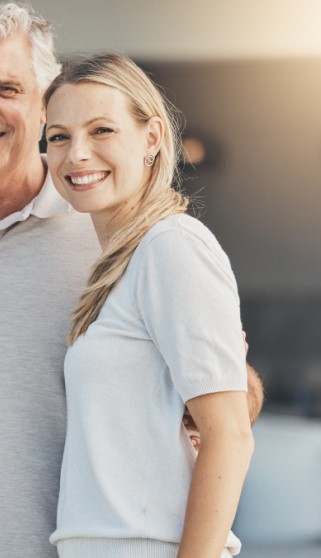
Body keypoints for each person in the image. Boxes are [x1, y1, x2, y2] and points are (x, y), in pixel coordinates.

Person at [0, 3, 261, 557]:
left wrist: (236, 396)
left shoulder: (119, 237)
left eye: (6, 87)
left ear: (41, 104)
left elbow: (217, 400)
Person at [43, 52, 254, 557]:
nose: (77, 155)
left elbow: (229, 435)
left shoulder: (171, 246)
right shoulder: (119, 265)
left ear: (152, 138)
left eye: (101, 131)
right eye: (58, 137)